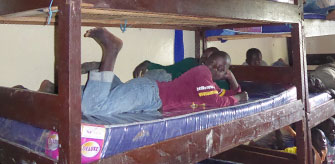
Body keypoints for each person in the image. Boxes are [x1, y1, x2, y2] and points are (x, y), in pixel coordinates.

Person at [65, 28, 248, 115]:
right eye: (214, 63)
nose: (217, 68)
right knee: (93, 108)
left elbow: (226, 93)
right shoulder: (202, 72)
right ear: (204, 62)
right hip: (150, 93)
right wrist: (238, 99)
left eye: (222, 68)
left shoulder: (211, 85)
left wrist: (232, 80)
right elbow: (217, 101)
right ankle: (111, 52)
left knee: (94, 100)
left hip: (149, 99)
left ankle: (106, 76)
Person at [131, 47, 231, 90]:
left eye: (208, 58)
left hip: (166, 88)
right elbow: (168, 69)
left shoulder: (220, 82)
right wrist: (149, 64)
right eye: (203, 56)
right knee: (159, 75)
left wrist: (231, 78)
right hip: (163, 79)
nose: (203, 60)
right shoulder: (191, 62)